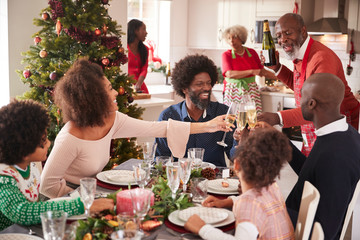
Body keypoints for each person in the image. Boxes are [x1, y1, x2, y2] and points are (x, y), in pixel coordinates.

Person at [40, 58, 231, 199]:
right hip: (64, 202)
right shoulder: (70, 137)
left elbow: (159, 128)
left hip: (90, 193)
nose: (115, 92)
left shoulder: (112, 119)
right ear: (93, 98)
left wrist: (208, 125)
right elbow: (47, 186)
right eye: (108, 89)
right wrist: (84, 199)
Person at [260, 73, 360, 239]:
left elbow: (325, 231)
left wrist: (270, 211)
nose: (299, 102)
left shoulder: (336, 157)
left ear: (312, 103)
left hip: (294, 231)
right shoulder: (343, 134)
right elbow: (312, 172)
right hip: (293, 220)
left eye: (301, 97)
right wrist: (279, 138)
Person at [0, 100, 114, 231]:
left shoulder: (27, 166)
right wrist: (81, 205)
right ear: (24, 150)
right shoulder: (4, 178)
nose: (48, 143)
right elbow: (22, 212)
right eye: (43, 140)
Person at [257, 13, 359, 156]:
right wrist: (277, 68)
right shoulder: (301, 54)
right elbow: (303, 89)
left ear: (303, 31)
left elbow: (318, 106)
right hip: (316, 122)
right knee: (311, 171)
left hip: (336, 125)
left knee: (327, 169)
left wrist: (278, 117)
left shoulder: (321, 58)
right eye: (279, 36)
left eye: (288, 33)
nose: (283, 40)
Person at [184, 128, 294, 240]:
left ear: (236, 165)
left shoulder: (248, 204)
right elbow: (258, 204)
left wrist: (202, 228)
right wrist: (226, 202)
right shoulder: (272, 187)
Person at [155, 54, 234, 167]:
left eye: (208, 83)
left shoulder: (223, 113)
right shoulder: (169, 116)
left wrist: (240, 141)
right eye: (199, 84)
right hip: (184, 179)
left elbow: (234, 157)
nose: (207, 88)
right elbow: (160, 159)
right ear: (184, 88)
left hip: (216, 181)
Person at [222, 25, 276, 112]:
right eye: (228, 38)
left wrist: (281, 78)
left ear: (241, 37)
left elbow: (262, 71)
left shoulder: (252, 53)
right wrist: (251, 71)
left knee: (253, 119)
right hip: (233, 91)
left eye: (234, 37)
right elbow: (230, 74)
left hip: (251, 90)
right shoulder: (226, 55)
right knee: (233, 120)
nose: (231, 40)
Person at [127, 19, 149, 93]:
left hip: (140, 87)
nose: (146, 33)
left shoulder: (145, 49)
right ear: (136, 31)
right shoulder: (124, 48)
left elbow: (144, 68)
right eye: (144, 29)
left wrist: (139, 83)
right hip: (125, 86)